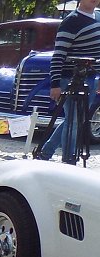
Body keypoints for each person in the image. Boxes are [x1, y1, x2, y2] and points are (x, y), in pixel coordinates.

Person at [36, 0, 100, 163]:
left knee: (76, 120)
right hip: (69, 77)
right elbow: (59, 54)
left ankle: (45, 153)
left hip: (90, 77)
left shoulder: (98, 17)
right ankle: (68, 160)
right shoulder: (71, 21)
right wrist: (55, 84)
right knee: (74, 120)